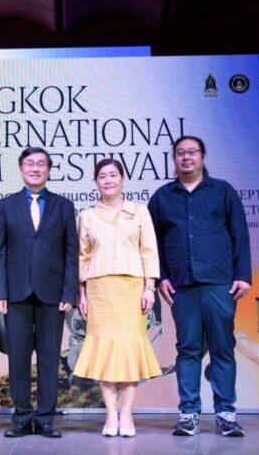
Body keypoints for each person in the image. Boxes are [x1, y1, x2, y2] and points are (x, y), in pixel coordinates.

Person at [148, 136, 251, 437]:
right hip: (182, 285)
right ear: (174, 159)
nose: (186, 158)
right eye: (180, 153)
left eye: (192, 152)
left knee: (222, 348)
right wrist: (161, 277)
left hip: (220, 282)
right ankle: (189, 414)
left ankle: (226, 414)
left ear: (202, 156)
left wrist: (243, 275)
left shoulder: (223, 191)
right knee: (188, 350)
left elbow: (240, 235)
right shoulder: (162, 197)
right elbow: (152, 244)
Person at [0, 147, 78, 438]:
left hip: (53, 293)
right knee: (18, 357)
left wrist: (69, 292)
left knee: (49, 357)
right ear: (21, 169)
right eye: (30, 164)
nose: (35, 168)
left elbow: (71, 253)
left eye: (41, 164)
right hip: (16, 293)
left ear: (49, 170)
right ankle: (21, 417)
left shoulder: (63, 206)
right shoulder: (6, 206)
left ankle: (45, 419)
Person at [73, 158, 162, 437]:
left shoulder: (139, 212)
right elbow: (82, 256)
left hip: (131, 289)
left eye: (113, 175)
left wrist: (149, 287)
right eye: (102, 176)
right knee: (105, 354)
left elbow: (149, 251)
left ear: (122, 179)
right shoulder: (87, 216)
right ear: (96, 182)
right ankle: (111, 415)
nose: (108, 180)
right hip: (99, 290)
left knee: (129, 351)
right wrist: (82, 293)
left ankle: (127, 414)